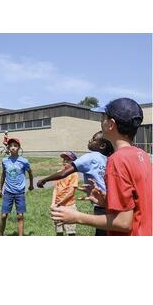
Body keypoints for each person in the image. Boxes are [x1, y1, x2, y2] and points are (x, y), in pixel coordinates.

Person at [51, 98, 152, 236]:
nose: (101, 121)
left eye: (103, 117)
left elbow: (123, 223)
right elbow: (137, 206)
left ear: (111, 124)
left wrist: (76, 217)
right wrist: (107, 202)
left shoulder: (117, 160)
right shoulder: (142, 155)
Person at [37, 131, 114, 236]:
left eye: (93, 139)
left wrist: (44, 180)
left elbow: (63, 173)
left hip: (101, 205)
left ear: (102, 145)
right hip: (113, 204)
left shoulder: (91, 157)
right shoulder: (110, 159)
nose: (90, 141)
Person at [0, 138, 34, 236]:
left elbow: (30, 173)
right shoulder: (5, 161)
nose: (13, 147)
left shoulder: (24, 161)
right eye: (11, 146)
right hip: (8, 192)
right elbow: (3, 175)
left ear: (19, 148)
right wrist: (0, 188)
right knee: (4, 215)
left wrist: (31, 185)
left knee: (20, 216)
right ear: (8, 148)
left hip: (20, 193)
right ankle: (0, 235)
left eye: (15, 145)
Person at [51, 151, 79, 236]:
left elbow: (71, 192)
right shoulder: (59, 172)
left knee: (70, 232)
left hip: (68, 206)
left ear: (73, 162)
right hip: (58, 206)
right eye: (64, 159)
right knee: (59, 231)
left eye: (68, 160)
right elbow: (56, 189)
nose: (65, 161)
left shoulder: (74, 174)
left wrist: (60, 202)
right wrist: (53, 203)